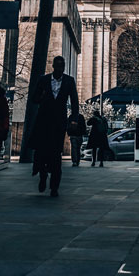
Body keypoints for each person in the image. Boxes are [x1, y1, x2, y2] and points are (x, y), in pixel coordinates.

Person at [30, 56, 79, 197]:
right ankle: (43, 175)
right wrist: (43, 96)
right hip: (43, 121)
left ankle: (54, 187)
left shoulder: (69, 81)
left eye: (62, 66)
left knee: (56, 154)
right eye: (57, 66)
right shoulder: (43, 80)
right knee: (42, 152)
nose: (60, 69)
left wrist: (74, 120)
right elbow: (34, 99)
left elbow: (74, 102)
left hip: (59, 123)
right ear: (53, 66)